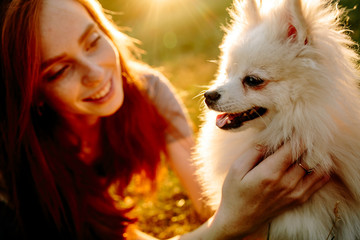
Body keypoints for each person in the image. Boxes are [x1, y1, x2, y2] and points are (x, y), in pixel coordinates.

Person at [0, 0, 330, 239]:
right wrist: (225, 225)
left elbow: (204, 197)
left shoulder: (150, 92)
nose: (95, 73)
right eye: (59, 70)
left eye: (92, 41)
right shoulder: (14, 163)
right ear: (31, 92)